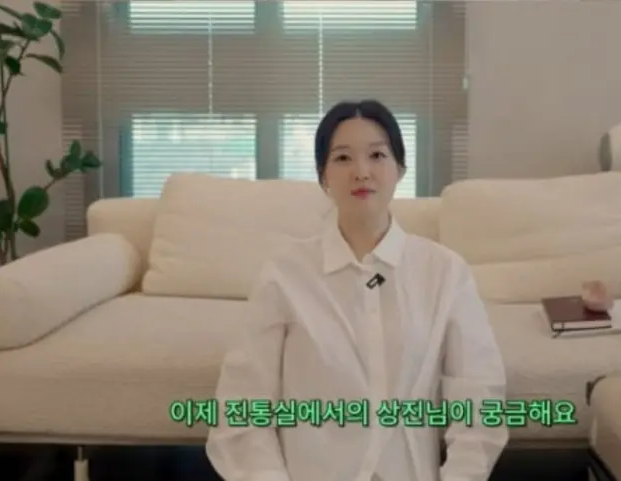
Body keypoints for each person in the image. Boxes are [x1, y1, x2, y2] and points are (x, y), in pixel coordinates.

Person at [206, 99, 508, 481]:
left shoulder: (445, 273)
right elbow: (242, 409)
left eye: (377, 155)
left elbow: (479, 402)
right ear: (323, 176)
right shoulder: (284, 275)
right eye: (343, 158)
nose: (362, 172)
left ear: (400, 168)